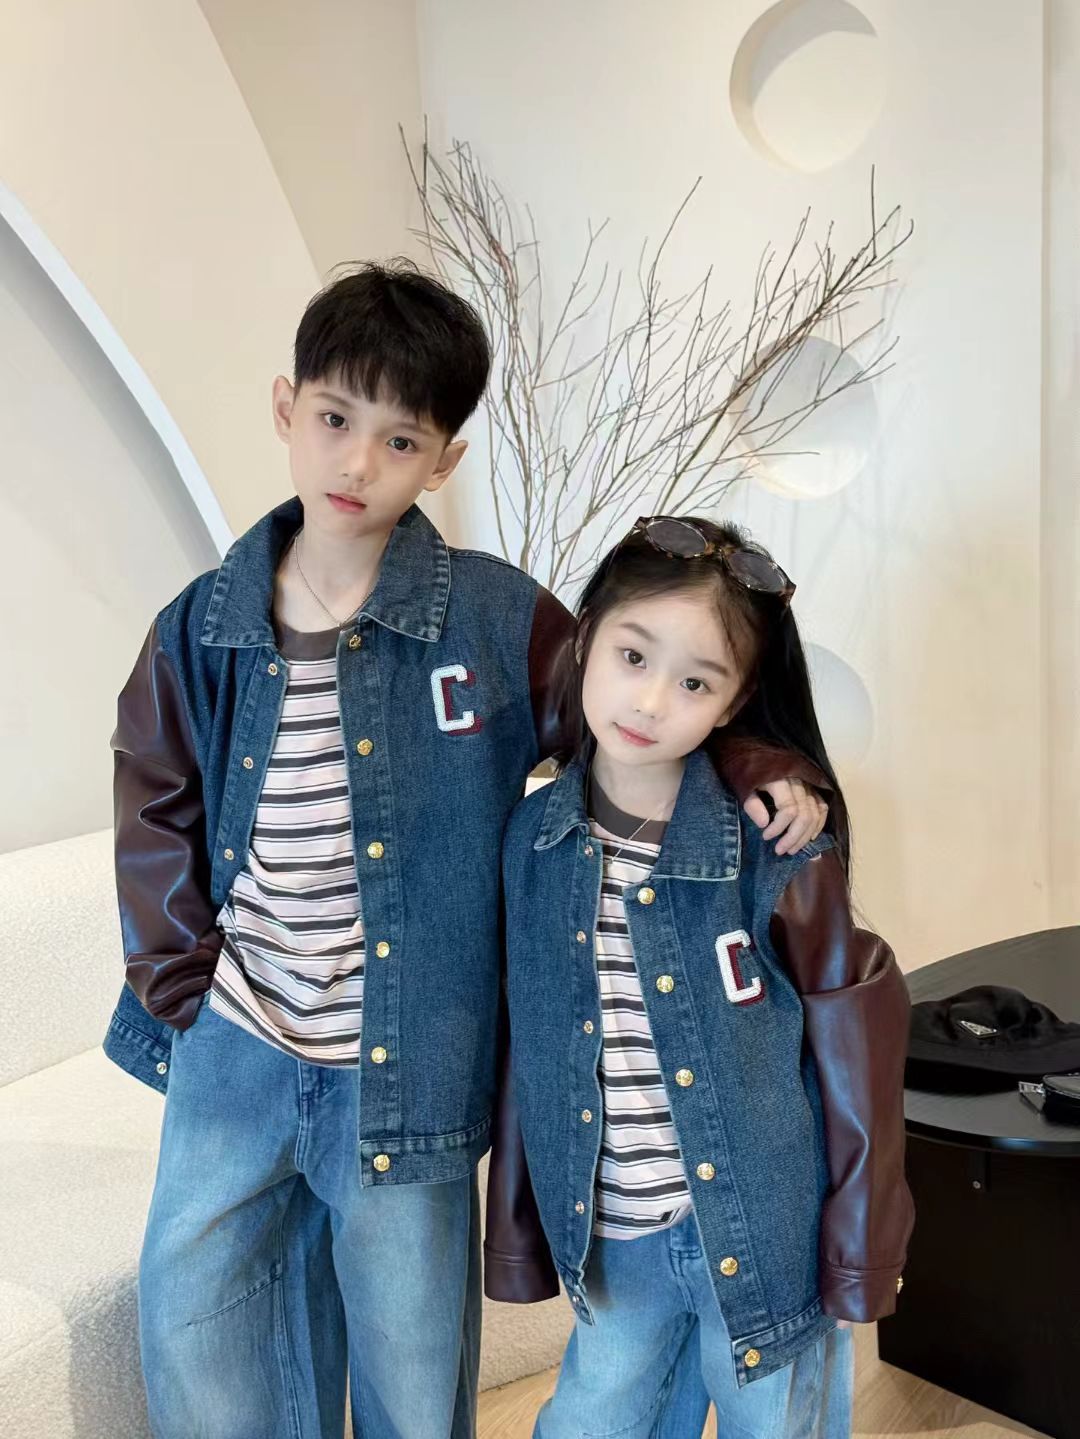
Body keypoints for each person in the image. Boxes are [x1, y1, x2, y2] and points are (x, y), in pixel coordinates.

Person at [104, 264, 829, 1439]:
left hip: (407, 1067)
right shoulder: (203, 624)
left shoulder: (494, 618)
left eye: (400, 439)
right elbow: (154, 791)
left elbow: (630, 713)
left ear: (441, 460)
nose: (357, 461)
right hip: (235, 1041)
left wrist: (754, 763)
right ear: (286, 407)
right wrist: (179, 982)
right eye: (334, 418)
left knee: (411, 1359)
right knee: (196, 1327)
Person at [490, 515, 914, 1438]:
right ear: (587, 635)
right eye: (633, 656)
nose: (649, 701)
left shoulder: (777, 848)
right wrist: (516, 1228)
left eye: (694, 682)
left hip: (767, 1236)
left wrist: (858, 1244)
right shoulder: (531, 841)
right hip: (616, 1243)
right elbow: (531, 1043)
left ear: (732, 701)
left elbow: (854, 1051)